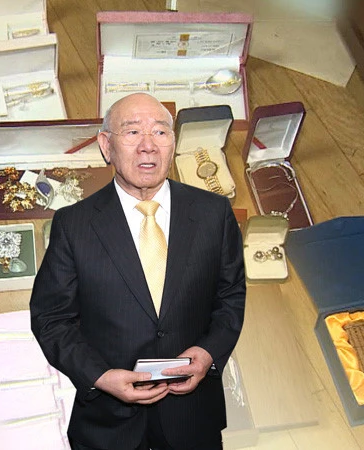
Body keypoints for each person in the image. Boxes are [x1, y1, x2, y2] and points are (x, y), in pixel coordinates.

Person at [30, 93, 245, 450]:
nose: (148, 146)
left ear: (173, 143)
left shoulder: (214, 214)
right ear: (106, 146)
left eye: (160, 132)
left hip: (192, 416)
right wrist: (99, 376)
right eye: (132, 132)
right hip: (108, 422)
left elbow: (231, 296)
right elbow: (51, 318)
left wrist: (208, 353)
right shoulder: (73, 225)